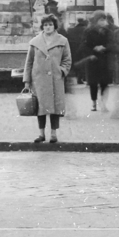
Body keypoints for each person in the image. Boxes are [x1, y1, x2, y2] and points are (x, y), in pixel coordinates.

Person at [22, 15, 71, 144]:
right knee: (40, 107)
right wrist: (27, 81)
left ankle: (54, 134)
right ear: (42, 27)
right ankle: (41, 134)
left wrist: (62, 71)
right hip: (39, 80)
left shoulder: (63, 41)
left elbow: (67, 59)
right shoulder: (35, 42)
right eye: (45, 25)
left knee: (55, 107)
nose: (48, 27)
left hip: (56, 79)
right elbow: (29, 62)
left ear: (55, 26)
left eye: (50, 24)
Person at [83, 12, 115, 113]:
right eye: (101, 20)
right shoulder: (88, 31)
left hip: (104, 60)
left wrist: (105, 48)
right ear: (96, 21)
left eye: (104, 20)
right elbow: (84, 46)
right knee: (93, 83)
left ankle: (103, 103)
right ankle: (94, 103)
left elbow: (112, 44)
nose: (104, 22)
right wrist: (94, 48)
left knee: (104, 83)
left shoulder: (108, 31)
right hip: (93, 60)